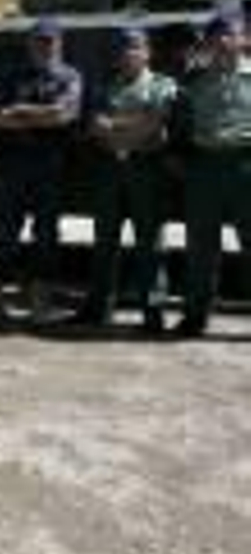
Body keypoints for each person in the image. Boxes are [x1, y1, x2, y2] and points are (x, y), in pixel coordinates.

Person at [0, 18, 83, 324]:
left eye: (50, 41)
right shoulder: (12, 76)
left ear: (59, 43)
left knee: (46, 235)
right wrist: (42, 114)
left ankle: (39, 303)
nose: (44, 47)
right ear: (30, 44)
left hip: (49, 165)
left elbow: (64, 115)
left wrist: (21, 111)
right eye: (39, 41)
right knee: (3, 233)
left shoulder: (70, 76)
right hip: (13, 164)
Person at [80, 28, 177, 330]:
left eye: (135, 48)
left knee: (150, 243)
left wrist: (117, 127)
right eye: (124, 49)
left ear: (147, 53)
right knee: (104, 242)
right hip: (109, 171)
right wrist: (133, 125)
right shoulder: (105, 87)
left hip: (145, 171)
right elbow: (96, 125)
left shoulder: (163, 85)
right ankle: (98, 308)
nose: (129, 53)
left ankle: (153, 311)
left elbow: (156, 122)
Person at [174, 8, 250, 338]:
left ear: (244, 39)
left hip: (246, 166)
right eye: (217, 35)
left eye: (231, 34)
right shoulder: (193, 80)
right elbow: (180, 123)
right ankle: (196, 315)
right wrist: (181, 159)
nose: (223, 41)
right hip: (204, 167)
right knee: (201, 247)